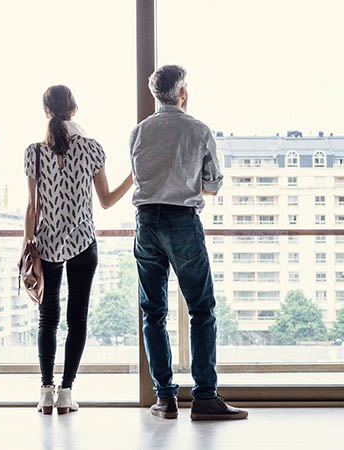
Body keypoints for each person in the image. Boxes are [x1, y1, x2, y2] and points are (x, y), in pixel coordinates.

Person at [130, 64, 248, 420]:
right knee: (201, 308)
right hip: (182, 221)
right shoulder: (198, 129)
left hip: (146, 222)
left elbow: (141, 176)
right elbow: (213, 184)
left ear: (156, 94)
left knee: (153, 312)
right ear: (182, 93)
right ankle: (205, 397)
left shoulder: (138, 131)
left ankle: (165, 399)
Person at [23, 85, 132, 415]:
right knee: (77, 318)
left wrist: (28, 245)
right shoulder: (92, 148)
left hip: (47, 243)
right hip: (83, 242)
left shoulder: (34, 152)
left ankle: (45, 391)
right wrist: (133, 176)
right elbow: (107, 201)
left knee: (48, 318)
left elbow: (33, 208)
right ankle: (66, 391)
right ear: (74, 109)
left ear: (46, 111)